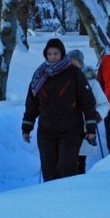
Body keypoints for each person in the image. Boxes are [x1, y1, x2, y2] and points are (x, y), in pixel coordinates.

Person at [22, 39, 98, 182]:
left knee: (66, 167)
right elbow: (32, 103)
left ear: (62, 54)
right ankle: (51, 201)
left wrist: (91, 127)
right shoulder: (40, 74)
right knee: (49, 169)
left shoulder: (74, 73)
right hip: (46, 130)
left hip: (70, 129)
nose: (52, 57)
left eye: (56, 53)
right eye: (49, 54)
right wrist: (27, 126)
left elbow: (88, 101)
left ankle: (68, 199)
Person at [68, 49, 109, 174]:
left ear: (81, 65)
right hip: (64, 127)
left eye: (75, 64)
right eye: (69, 64)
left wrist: (95, 116)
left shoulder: (91, 83)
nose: (72, 68)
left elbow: (104, 104)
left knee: (79, 162)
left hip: (84, 128)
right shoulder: (60, 81)